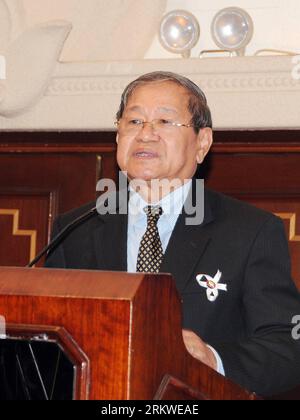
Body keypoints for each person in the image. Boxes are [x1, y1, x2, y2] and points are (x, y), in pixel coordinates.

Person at [45, 71, 300, 397]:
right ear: (118, 137)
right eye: (134, 121)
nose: (146, 134)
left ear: (202, 143)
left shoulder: (249, 231)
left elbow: (287, 341)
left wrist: (215, 359)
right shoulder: (74, 229)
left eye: (165, 121)